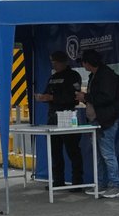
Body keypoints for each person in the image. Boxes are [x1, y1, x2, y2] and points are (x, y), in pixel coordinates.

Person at [76, 49, 119, 198]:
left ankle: (114, 185)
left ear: (87, 62)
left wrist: (85, 97)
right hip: (97, 119)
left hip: (107, 119)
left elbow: (106, 98)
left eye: (83, 62)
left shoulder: (106, 75)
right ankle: (100, 184)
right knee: (98, 154)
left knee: (107, 153)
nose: (83, 65)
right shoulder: (95, 75)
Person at [34, 50, 84, 190]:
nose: (53, 65)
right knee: (54, 150)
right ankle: (58, 180)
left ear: (63, 62)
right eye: (52, 63)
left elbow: (73, 97)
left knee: (72, 149)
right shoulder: (52, 77)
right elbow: (46, 93)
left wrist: (53, 98)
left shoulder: (73, 76)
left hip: (68, 115)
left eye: (55, 62)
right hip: (52, 116)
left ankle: (77, 182)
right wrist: (42, 97)